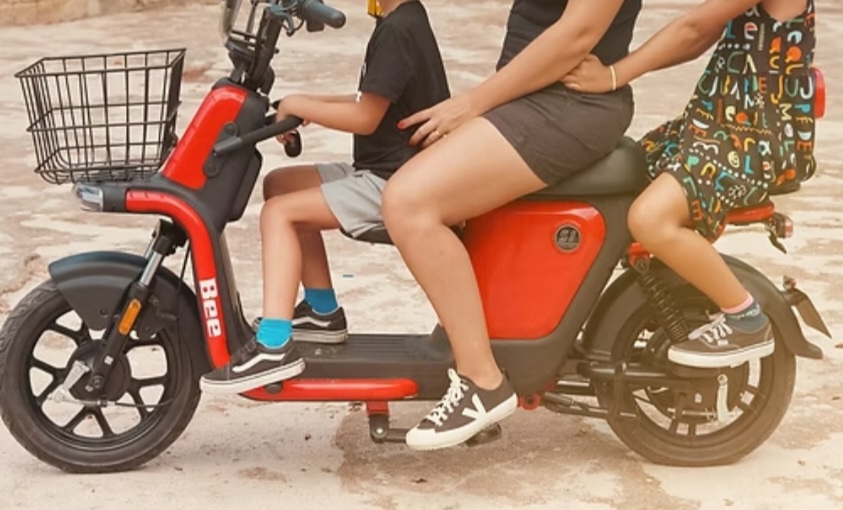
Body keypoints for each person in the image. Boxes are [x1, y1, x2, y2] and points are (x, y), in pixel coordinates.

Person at [379, 0, 642, 450]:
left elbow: (578, 33)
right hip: (531, 96)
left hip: (568, 103)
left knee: (408, 202)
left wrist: (473, 103)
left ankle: (482, 380)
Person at [200, 0, 450, 394]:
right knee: (281, 185)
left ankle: (274, 345)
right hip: (384, 169)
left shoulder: (398, 29)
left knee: (278, 214)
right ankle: (322, 312)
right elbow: (369, 99)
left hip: (397, 184)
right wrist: (300, 104)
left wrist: (302, 106)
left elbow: (365, 118)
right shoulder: (400, 18)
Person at [562, 0, 817, 368]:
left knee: (649, 219)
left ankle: (746, 319)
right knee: (612, 183)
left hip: (750, 141)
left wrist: (613, 76)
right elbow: (699, 36)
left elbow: (693, 28)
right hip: (711, 128)